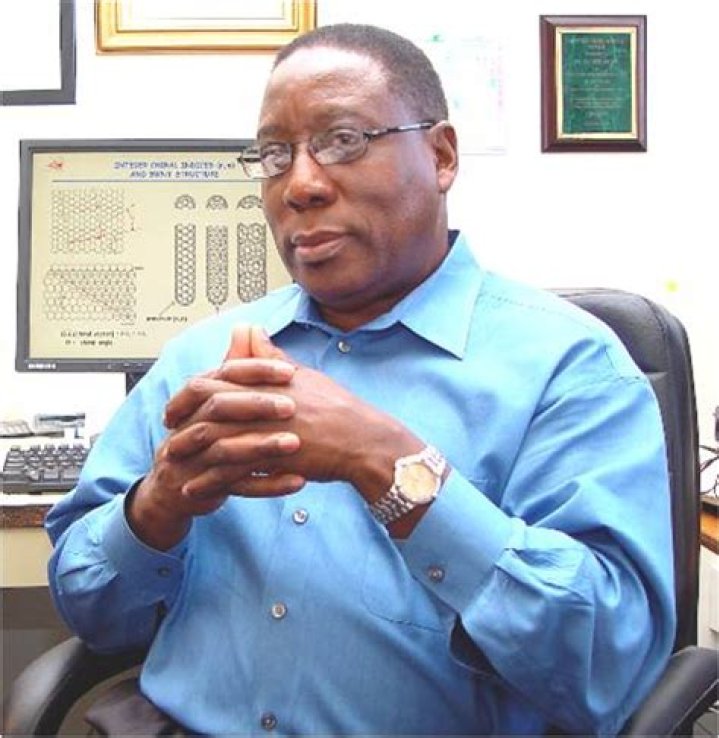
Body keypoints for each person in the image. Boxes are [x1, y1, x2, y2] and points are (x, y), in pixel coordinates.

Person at [46, 23, 675, 737]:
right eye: (275, 155)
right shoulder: (202, 360)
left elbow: (606, 666)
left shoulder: (571, 368)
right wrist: (157, 506)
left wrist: (388, 465)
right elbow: (88, 608)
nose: (301, 185)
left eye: (343, 140)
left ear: (441, 156)